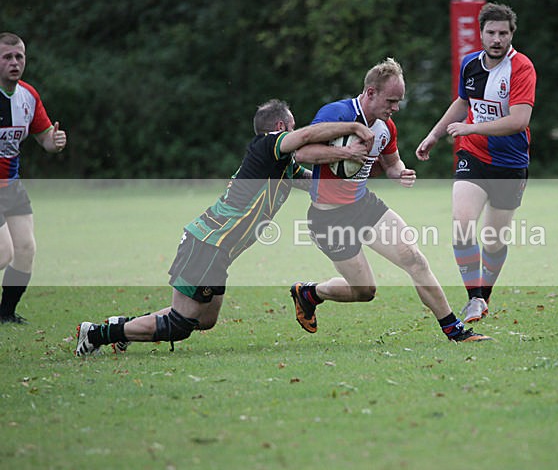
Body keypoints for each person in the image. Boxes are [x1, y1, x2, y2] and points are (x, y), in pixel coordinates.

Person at [75, 100, 372, 356]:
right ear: (281, 126)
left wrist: (352, 181)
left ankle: (121, 326)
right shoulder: (268, 145)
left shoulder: (281, 166)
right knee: (181, 323)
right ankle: (96, 334)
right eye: (292, 128)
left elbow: (314, 184)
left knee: (205, 319)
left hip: (218, 249)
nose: (299, 135)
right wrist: (353, 130)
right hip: (208, 241)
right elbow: (308, 135)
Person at [290, 58, 490, 342]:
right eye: (392, 100)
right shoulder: (336, 113)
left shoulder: (386, 127)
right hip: (328, 217)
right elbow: (301, 153)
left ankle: (454, 330)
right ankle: (308, 293)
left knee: (415, 259)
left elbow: (392, 163)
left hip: (363, 206)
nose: (395, 108)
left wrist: (400, 173)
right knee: (364, 291)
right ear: (371, 92)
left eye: (399, 101)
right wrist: (346, 154)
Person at [415, 2, 536, 323]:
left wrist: (472, 127)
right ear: (481, 34)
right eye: (491, 32)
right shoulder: (470, 64)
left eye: (503, 33)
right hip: (473, 155)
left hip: (510, 163)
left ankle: (483, 297)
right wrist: (435, 135)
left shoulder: (521, 68)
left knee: (494, 240)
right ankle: (474, 299)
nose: (497, 39)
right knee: (462, 223)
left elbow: (519, 120)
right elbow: (462, 103)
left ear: (512, 34)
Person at [0, 33, 67, 324]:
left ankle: (5, 314)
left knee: (25, 250)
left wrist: (56, 140)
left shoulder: (28, 95)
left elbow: (45, 140)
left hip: (10, 184)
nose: (14, 62)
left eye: (19, 57)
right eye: (7, 57)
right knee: (4, 252)